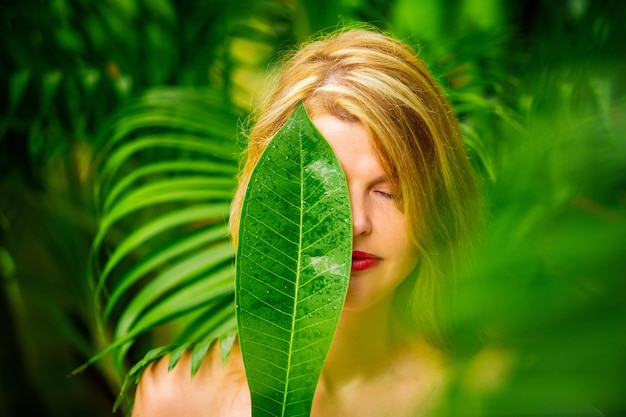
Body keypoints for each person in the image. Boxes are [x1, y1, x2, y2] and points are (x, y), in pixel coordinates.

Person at [131, 26, 483, 416]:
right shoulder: (180, 397)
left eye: (389, 192)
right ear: (265, 198)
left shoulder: (482, 391)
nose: (354, 223)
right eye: (321, 186)